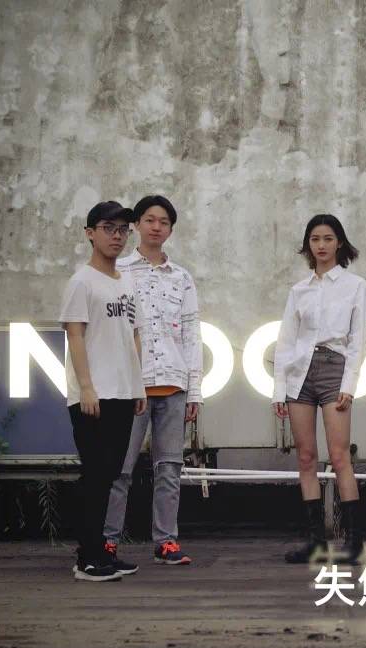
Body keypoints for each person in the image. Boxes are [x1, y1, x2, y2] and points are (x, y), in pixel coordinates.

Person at [102, 195, 202, 570]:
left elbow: (191, 335)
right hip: (131, 386)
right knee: (120, 467)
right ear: (137, 225)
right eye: (149, 219)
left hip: (174, 384)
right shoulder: (120, 271)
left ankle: (166, 541)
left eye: (163, 221)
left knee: (170, 468)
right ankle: (108, 541)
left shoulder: (182, 277)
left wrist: (195, 390)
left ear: (171, 229)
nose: (156, 226)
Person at [273, 214, 366, 564]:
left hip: (334, 367)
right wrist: (279, 388)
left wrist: (350, 384)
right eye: (315, 239)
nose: (321, 245)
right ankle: (315, 541)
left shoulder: (355, 285)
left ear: (339, 242)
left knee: (340, 455)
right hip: (300, 371)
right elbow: (286, 341)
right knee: (305, 456)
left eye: (328, 238)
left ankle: (354, 540)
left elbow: (359, 338)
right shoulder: (299, 290)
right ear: (307, 245)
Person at [60, 201, 147, 582]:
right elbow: (75, 335)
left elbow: (134, 335)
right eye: (109, 228)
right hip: (93, 396)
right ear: (90, 233)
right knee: (95, 475)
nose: (117, 236)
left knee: (110, 473)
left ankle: (101, 554)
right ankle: (87, 559)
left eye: (123, 229)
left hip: (123, 392)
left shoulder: (125, 282)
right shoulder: (81, 282)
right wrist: (86, 387)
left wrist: (138, 385)